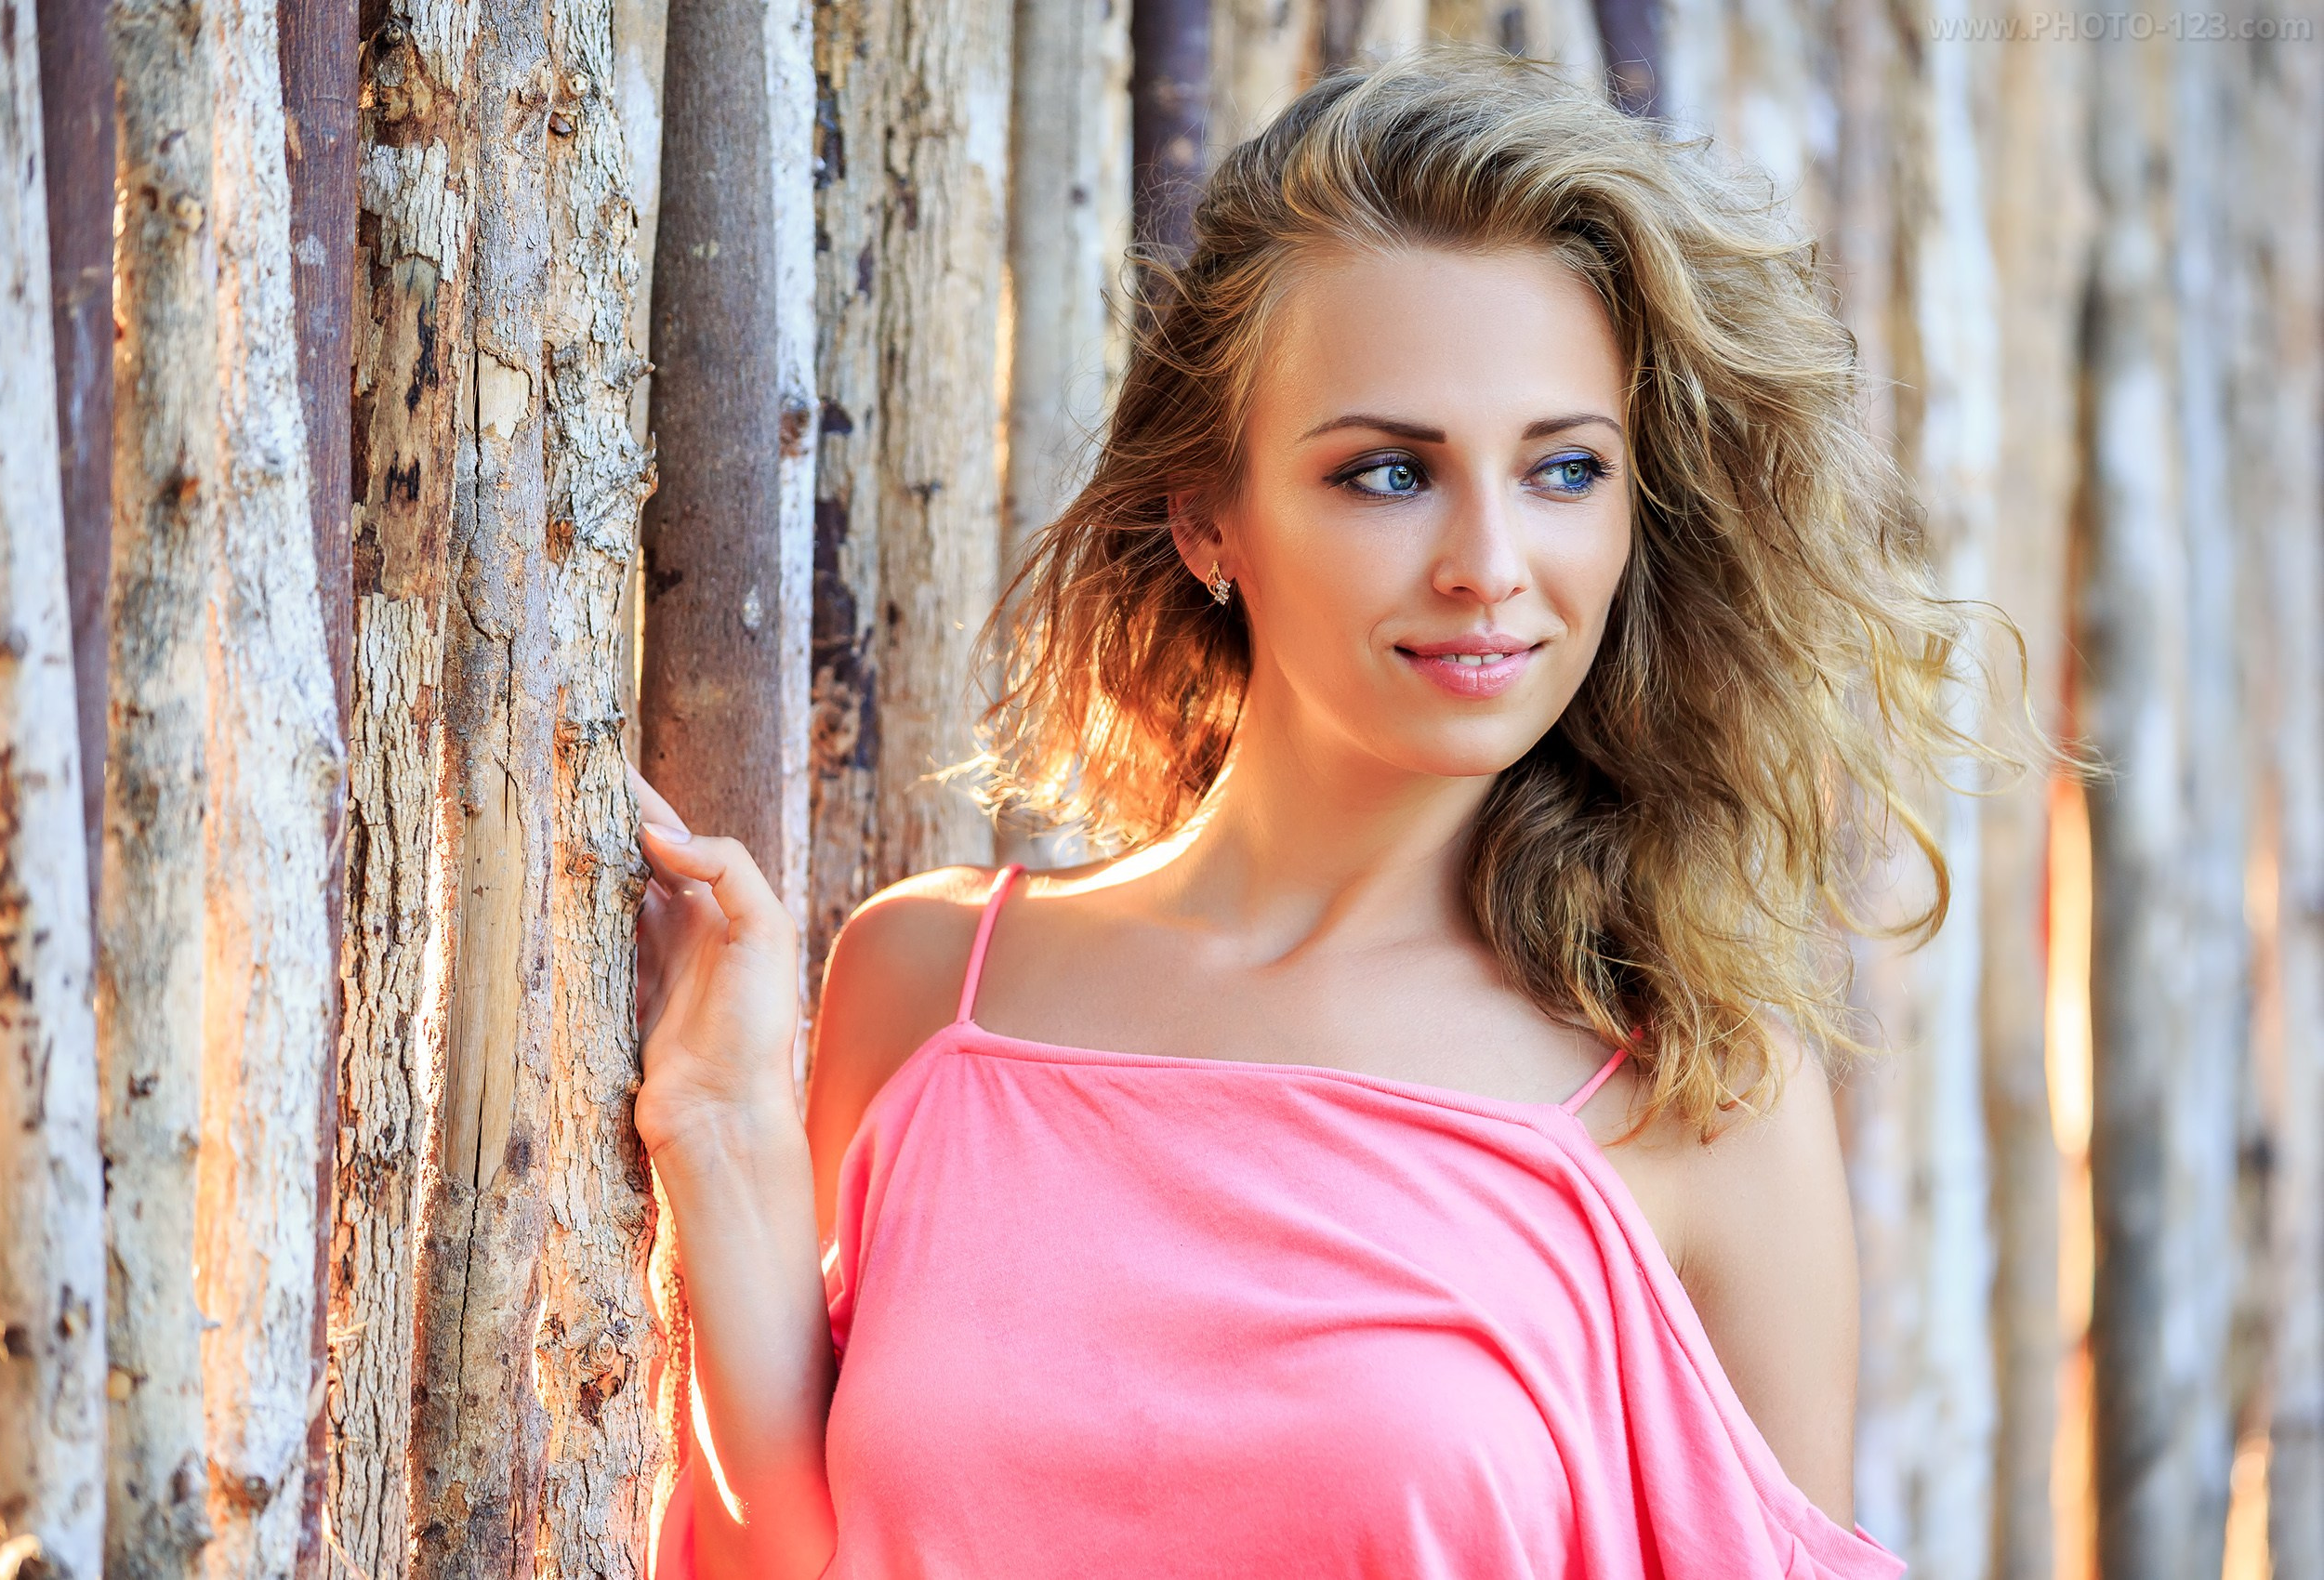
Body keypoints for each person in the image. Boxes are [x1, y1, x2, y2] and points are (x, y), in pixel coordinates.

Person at [635, 47, 2021, 1578]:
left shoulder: (1691, 1090)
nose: (1490, 563)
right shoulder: (929, 989)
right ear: (1208, 516)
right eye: (1385, 473)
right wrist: (717, 1129)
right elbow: (789, 1552)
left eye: (1564, 468)